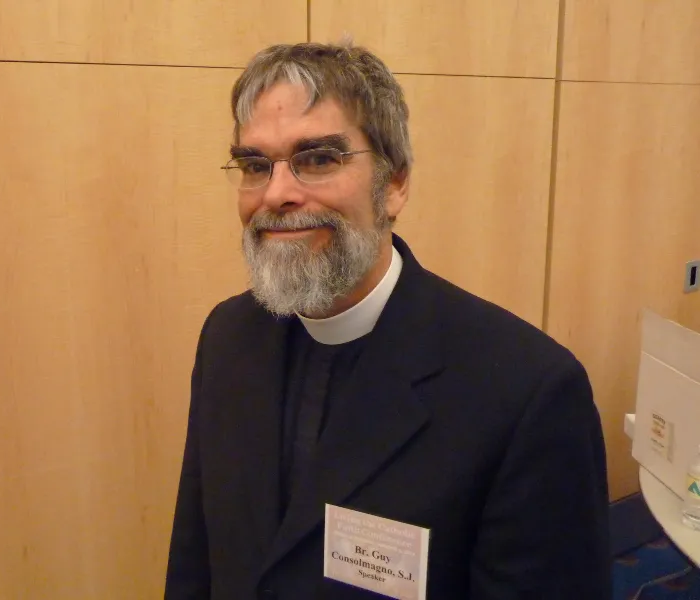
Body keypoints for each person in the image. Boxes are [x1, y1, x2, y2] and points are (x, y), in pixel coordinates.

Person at [165, 42, 611, 600]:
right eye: (256, 166)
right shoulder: (227, 337)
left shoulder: (528, 391)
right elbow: (195, 562)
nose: (277, 193)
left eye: (319, 158)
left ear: (394, 183)